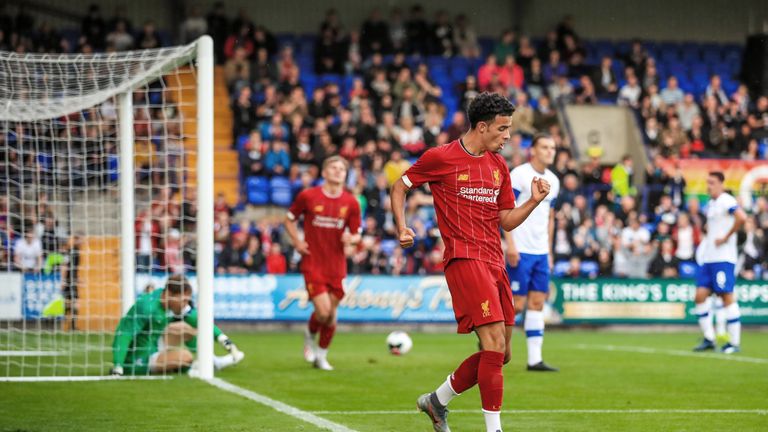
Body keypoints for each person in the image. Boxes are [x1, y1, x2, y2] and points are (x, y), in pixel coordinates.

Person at [390, 92, 550, 432]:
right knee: (491, 346)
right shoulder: (440, 157)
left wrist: (533, 202)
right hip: (464, 258)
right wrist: (401, 225)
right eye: (503, 129)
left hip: (494, 261)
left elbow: (505, 220)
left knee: (502, 353)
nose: (508, 136)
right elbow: (399, 187)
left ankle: (436, 401)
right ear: (482, 127)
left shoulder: (498, 166)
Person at [285, 156, 362, 371]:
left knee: (329, 316)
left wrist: (351, 240)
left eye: (342, 169)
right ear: (324, 172)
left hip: (336, 265)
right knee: (325, 311)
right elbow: (289, 219)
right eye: (334, 168)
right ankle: (310, 337)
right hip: (313, 263)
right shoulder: (308, 196)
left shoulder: (351, 203)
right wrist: (297, 241)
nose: (338, 172)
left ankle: (321, 356)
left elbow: (357, 235)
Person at [503, 134, 560, 372]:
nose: (550, 151)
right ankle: (497, 345)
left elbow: (551, 218)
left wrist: (548, 250)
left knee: (537, 302)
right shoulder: (519, 175)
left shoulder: (554, 181)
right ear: (533, 150)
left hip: (539, 252)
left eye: (553, 148)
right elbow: (505, 210)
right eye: (545, 147)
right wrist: (511, 244)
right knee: (516, 304)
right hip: (521, 249)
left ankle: (534, 359)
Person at [110, 275, 244, 376]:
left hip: (155, 344)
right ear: (169, 294)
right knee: (186, 357)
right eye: (183, 300)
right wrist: (118, 365)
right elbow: (124, 333)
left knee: (186, 330)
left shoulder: (173, 305)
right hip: (138, 358)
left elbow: (199, 321)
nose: (186, 304)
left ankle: (213, 361)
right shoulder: (147, 307)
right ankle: (193, 368)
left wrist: (223, 339)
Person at [692, 172, 746, 354]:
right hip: (709, 258)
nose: (709, 186)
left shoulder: (726, 200)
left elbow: (741, 217)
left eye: (712, 183)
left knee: (726, 296)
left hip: (723, 258)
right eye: (707, 183)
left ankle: (734, 342)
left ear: (721, 184)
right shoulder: (712, 204)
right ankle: (709, 338)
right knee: (699, 296)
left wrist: (725, 237)